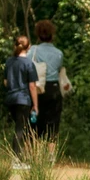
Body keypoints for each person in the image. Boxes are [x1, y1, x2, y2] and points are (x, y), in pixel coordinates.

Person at [31, 19, 68, 149]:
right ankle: (51, 155)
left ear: (38, 35)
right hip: (54, 89)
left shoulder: (33, 50)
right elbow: (58, 69)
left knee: (36, 122)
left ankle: (36, 154)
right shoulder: (59, 53)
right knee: (53, 122)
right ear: (52, 35)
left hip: (38, 88)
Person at [3, 35, 39, 156]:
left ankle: (22, 156)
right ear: (28, 47)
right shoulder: (29, 64)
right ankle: (16, 159)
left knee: (20, 127)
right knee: (20, 129)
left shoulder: (9, 62)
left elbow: (5, 82)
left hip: (11, 99)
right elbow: (32, 86)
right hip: (23, 99)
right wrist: (35, 105)